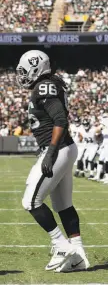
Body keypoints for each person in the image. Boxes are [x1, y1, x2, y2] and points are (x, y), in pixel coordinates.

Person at [16, 50, 89, 272]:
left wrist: (50, 153)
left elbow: (60, 120)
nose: (22, 75)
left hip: (56, 148)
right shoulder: (47, 85)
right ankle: (79, 255)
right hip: (64, 148)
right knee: (63, 205)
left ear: (36, 67)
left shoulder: (43, 86)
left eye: (25, 70)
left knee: (30, 201)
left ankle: (60, 245)